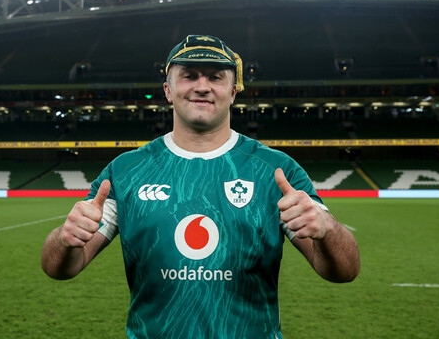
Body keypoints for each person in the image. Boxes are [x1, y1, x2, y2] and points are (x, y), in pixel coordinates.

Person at [41, 34, 360, 338]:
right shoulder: (125, 171)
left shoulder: (277, 170)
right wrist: (66, 239)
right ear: (168, 90)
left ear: (233, 92)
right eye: (189, 76)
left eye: (216, 77)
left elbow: (344, 271)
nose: (202, 87)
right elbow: (60, 268)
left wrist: (328, 228)